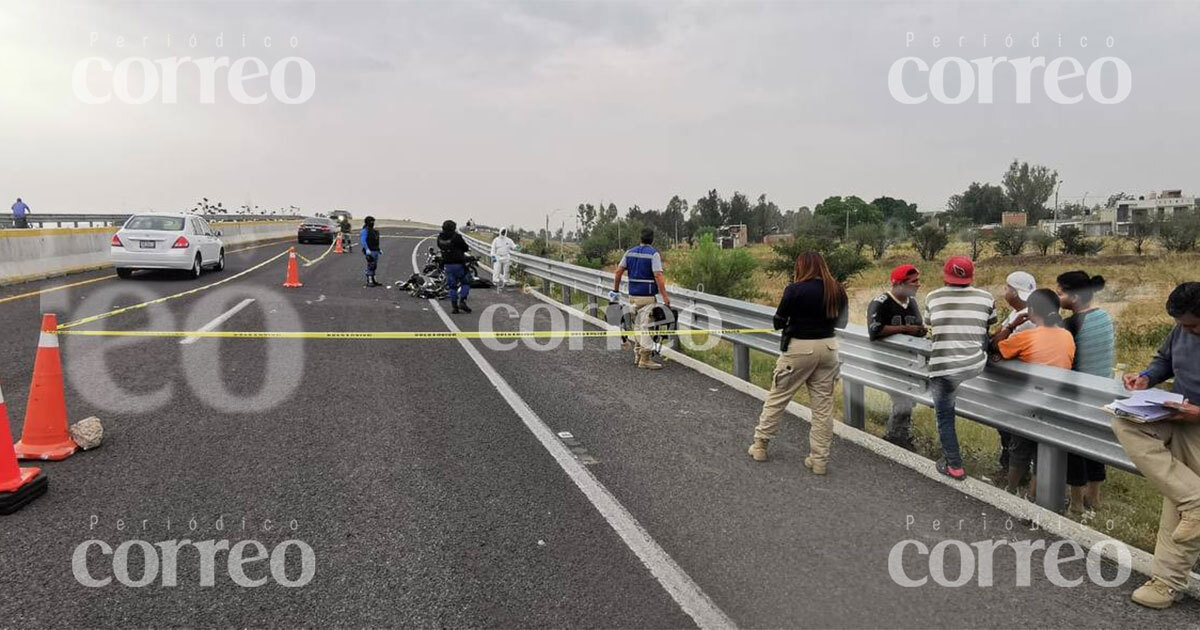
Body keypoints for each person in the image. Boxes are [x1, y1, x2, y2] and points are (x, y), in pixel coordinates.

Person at [1112, 282, 1200, 610]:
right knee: (1124, 422)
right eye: (1181, 325)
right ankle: (1196, 501)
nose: (1186, 331)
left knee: (1179, 506)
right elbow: (1164, 359)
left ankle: (1166, 582)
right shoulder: (1182, 331)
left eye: (1192, 325)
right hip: (1177, 413)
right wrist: (1147, 377)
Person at [747, 252, 848, 474]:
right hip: (829, 347)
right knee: (823, 408)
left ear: (802, 267)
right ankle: (819, 460)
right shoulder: (837, 289)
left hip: (799, 348)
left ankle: (760, 445)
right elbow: (844, 322)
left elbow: (778, 321)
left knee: (778, 397)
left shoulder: (795, 289)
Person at [991, 289, 1076, 496]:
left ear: (1031, 311)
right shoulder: (1067, 336)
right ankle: (1033, 495)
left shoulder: (1027, 337)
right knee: (1042, 450)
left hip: (1029, 401)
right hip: (1057, 401)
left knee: (1019, 447)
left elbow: (995, 346)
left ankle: (1010, 490)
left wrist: (1012, 325)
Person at [926, 256, 996, 481]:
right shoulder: (986, 297)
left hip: (944, 368)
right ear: (971, 277)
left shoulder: (933, 297)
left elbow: (930, 323)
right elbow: (988, 323)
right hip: (976, 364)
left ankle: (954, 466)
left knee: (945, 416)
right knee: (982, 334)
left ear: (945, 277)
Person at [1057, 271, 1115, 513]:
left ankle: (1077, 503)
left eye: (1060, 292)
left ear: (1074, 296)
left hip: (1077, 396)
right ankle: (1095, 499)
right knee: (1096, 447)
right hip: (1103, 392)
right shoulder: (1104, 316)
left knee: (1075, 449)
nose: (1057, 297)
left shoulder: (1070, 325)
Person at [866, 263, 926, 450]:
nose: (918, 285)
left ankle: (900, 436)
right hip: (887, 361)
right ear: (900, 284)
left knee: (907, 402)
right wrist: (906, 329)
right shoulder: (881, 302)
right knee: (902, 402)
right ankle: (893, 440)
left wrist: (919, 331)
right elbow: (874, 330)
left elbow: (917, 327)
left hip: (908, 363)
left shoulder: (912, 303)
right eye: (913, 281)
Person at [995, 271, 1038, 478]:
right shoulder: (1018, 313)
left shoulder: (1026, 320)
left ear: (1014, 292)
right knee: (1007, 430)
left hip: (1020, 384)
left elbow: (998, 345)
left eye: (1007, 288)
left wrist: (1004, 332)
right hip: (1013, 383)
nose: (1005, 292)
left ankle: (1015, 475)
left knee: (1013, 432)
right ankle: (1011, 469)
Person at [610, 228, 671, 370]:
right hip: (647, 297)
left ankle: (637, 355)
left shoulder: (629, 252)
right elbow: (658, 276)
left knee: (638, 325)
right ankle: (645, 359)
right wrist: (665, 297)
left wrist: (615, 290)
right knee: (646, 327)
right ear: (652, 239)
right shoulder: (653, 254)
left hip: (632, 296)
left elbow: (619, 271)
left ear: (640, 238)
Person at [437, 220, 472, 313]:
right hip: (459, 264)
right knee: (466, 282)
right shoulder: (456, 237)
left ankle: (454, 307)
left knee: (452, 286)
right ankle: (462, 301)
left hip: (447, 265)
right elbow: (465, 248)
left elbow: (440, 247)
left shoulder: (440, 237)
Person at [359, 216, 382, 286]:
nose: (372, 223)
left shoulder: (375, 231)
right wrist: (367, 249)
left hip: (375, 250)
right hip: (370, 251)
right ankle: (369, 280)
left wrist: (379, 249)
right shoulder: (365, 231)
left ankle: (374, 279)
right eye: (371, 222)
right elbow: (363, 241)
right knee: (371, 265)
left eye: (373, 222)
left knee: (374, 266)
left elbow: (376, 241)